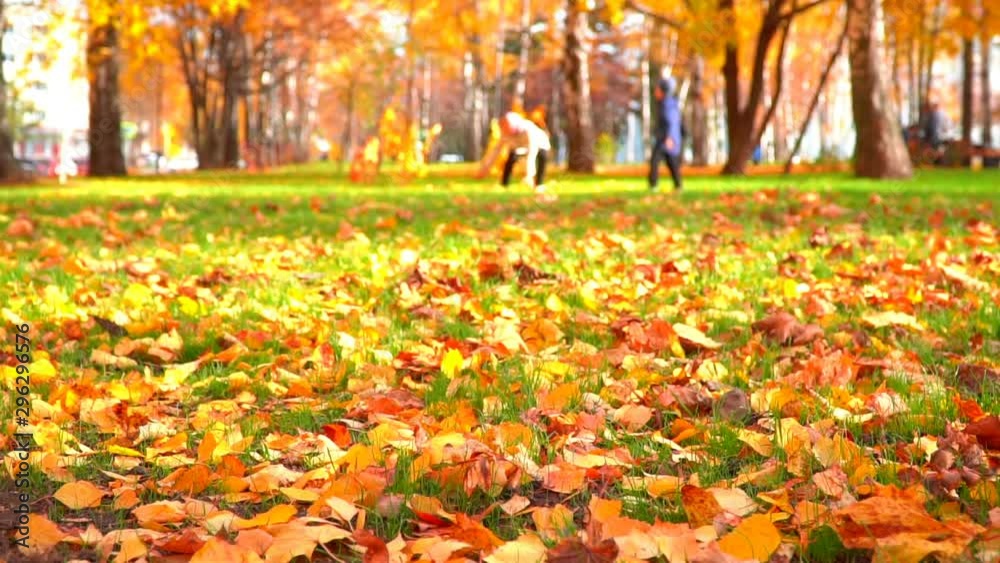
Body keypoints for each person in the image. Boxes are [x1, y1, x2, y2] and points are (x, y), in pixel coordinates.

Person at [476, 111, 551, 191]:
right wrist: (485, 169)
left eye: (506, 125)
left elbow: (532, 153)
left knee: (543, 156)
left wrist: (528, 175)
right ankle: (504, 184)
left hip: (540, 144)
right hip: (520, 147)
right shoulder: (505, 133)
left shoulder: (527, 129)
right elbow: (495, 152)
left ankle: (539, 184)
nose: (504, 128)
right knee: (511, 157)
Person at [649, 77, 683, 192]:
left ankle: (654, 185)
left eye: (657, 89)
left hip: (666, 139)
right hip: (666, 138)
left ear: (663, 91)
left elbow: (671, 122)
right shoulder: (666, 103)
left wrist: (669, 137)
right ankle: (677, 185)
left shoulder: (667, 105)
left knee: (656, 161)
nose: (655, 91)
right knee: (670, 163)